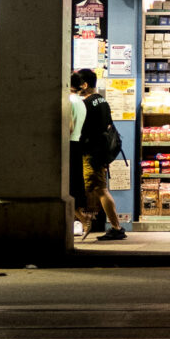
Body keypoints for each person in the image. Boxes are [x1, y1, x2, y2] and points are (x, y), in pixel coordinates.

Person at [77, 68, 126, 241]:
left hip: (92, 153)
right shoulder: (102, 101)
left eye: (77, 83)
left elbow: (83, 130)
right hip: (102, 152)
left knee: (100, 190)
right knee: (95, 189)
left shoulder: (86, 104)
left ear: (84, 84)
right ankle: (92, 222)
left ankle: (116, 227)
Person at [68, 72, 92, 237]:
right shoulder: (81, 102)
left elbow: (68, 126)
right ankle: (82, 219)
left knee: (67, 186)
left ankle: (82, 219)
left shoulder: (68, 101)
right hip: (78, 144)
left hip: (68, 144)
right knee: (75, 184)